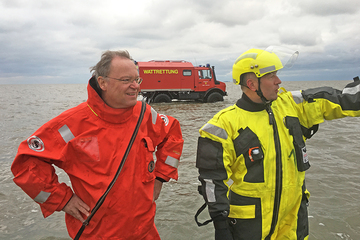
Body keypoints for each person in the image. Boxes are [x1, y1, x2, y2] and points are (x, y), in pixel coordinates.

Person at [11, 50, 184, 239]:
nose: (135, 86)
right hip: (96, 233)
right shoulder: (72, 124)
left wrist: (160, 178)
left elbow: (172, 136)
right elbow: (26, 163)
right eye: (126, 80)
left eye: (137, 80)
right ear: (103, 82)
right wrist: (63, 200)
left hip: (144, 231)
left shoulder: (145, 114)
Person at [195, 47, 360, 240]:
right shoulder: (222, 125)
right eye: (271, 75)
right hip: (250, 226)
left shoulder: (291, 105)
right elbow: (212, 181)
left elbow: (336, 99)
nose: (278, 81)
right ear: (252, 83)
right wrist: (221, 225)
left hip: (293, 221)